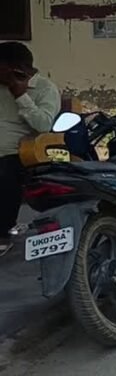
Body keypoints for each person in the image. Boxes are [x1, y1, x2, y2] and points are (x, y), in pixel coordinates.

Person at [0, 42, 60, 255]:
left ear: (16, 68)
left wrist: (21, 96)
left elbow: (43, 124)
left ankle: (2, 232)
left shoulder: (45, 89)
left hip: (20, 152)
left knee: (6, 171)